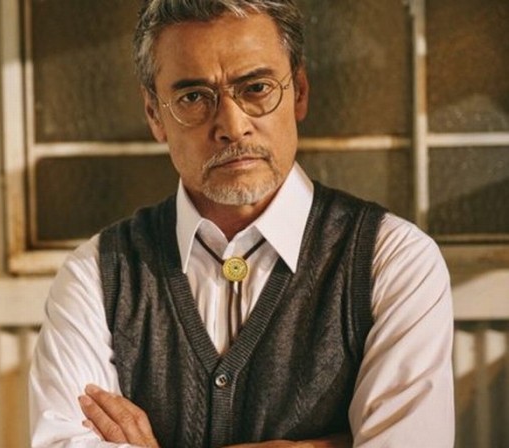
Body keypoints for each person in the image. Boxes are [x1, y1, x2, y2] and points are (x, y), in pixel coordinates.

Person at [29, 0, 455, 447]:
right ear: (154, 114)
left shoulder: (393, 261)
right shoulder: (97, 275)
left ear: (300, 92)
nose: (232, 126)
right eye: (193, 97)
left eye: (256, 88)